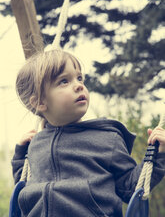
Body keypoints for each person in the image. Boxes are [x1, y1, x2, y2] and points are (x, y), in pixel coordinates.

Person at [12, 49, 165, 217]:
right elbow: (26, 189)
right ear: (40, 102)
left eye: (79, 78)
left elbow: (130, 188)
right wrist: (21, 155)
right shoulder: (36, 144)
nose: (79, 85)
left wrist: (157, 157)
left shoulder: (106, 139)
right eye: (64, 81)